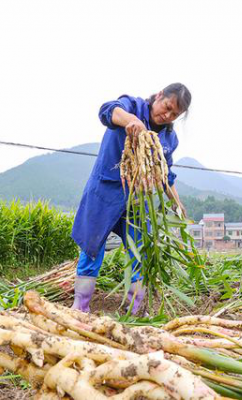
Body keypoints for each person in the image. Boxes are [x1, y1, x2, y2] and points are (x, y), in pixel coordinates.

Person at [71, 83, 191, 314]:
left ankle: (135, 309)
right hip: (105, 192)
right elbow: (108, 109)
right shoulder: (132, 106)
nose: (167, 115)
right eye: (166, 107)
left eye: (174, 114)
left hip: (137, 201)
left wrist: (177, 202)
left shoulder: (168, 137)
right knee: (92, 248)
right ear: (159, 96)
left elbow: (165, 173)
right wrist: (130, 121)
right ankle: (80, 306)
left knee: (141, 252)